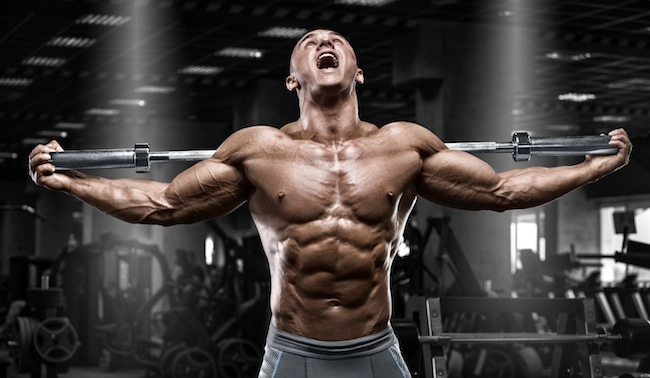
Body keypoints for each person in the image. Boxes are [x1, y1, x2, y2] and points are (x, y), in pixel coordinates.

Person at [29, 29, 632, 378]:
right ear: (293, 79)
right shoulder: (257, 151)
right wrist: (71, 184)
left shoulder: (404, 147)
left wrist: (593, 166)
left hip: (376, 351)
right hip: (292, 352)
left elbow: (502, 191)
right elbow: (161, 202)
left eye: (335, 40)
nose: (323, 42)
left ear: (358, 73)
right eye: (310, 42)